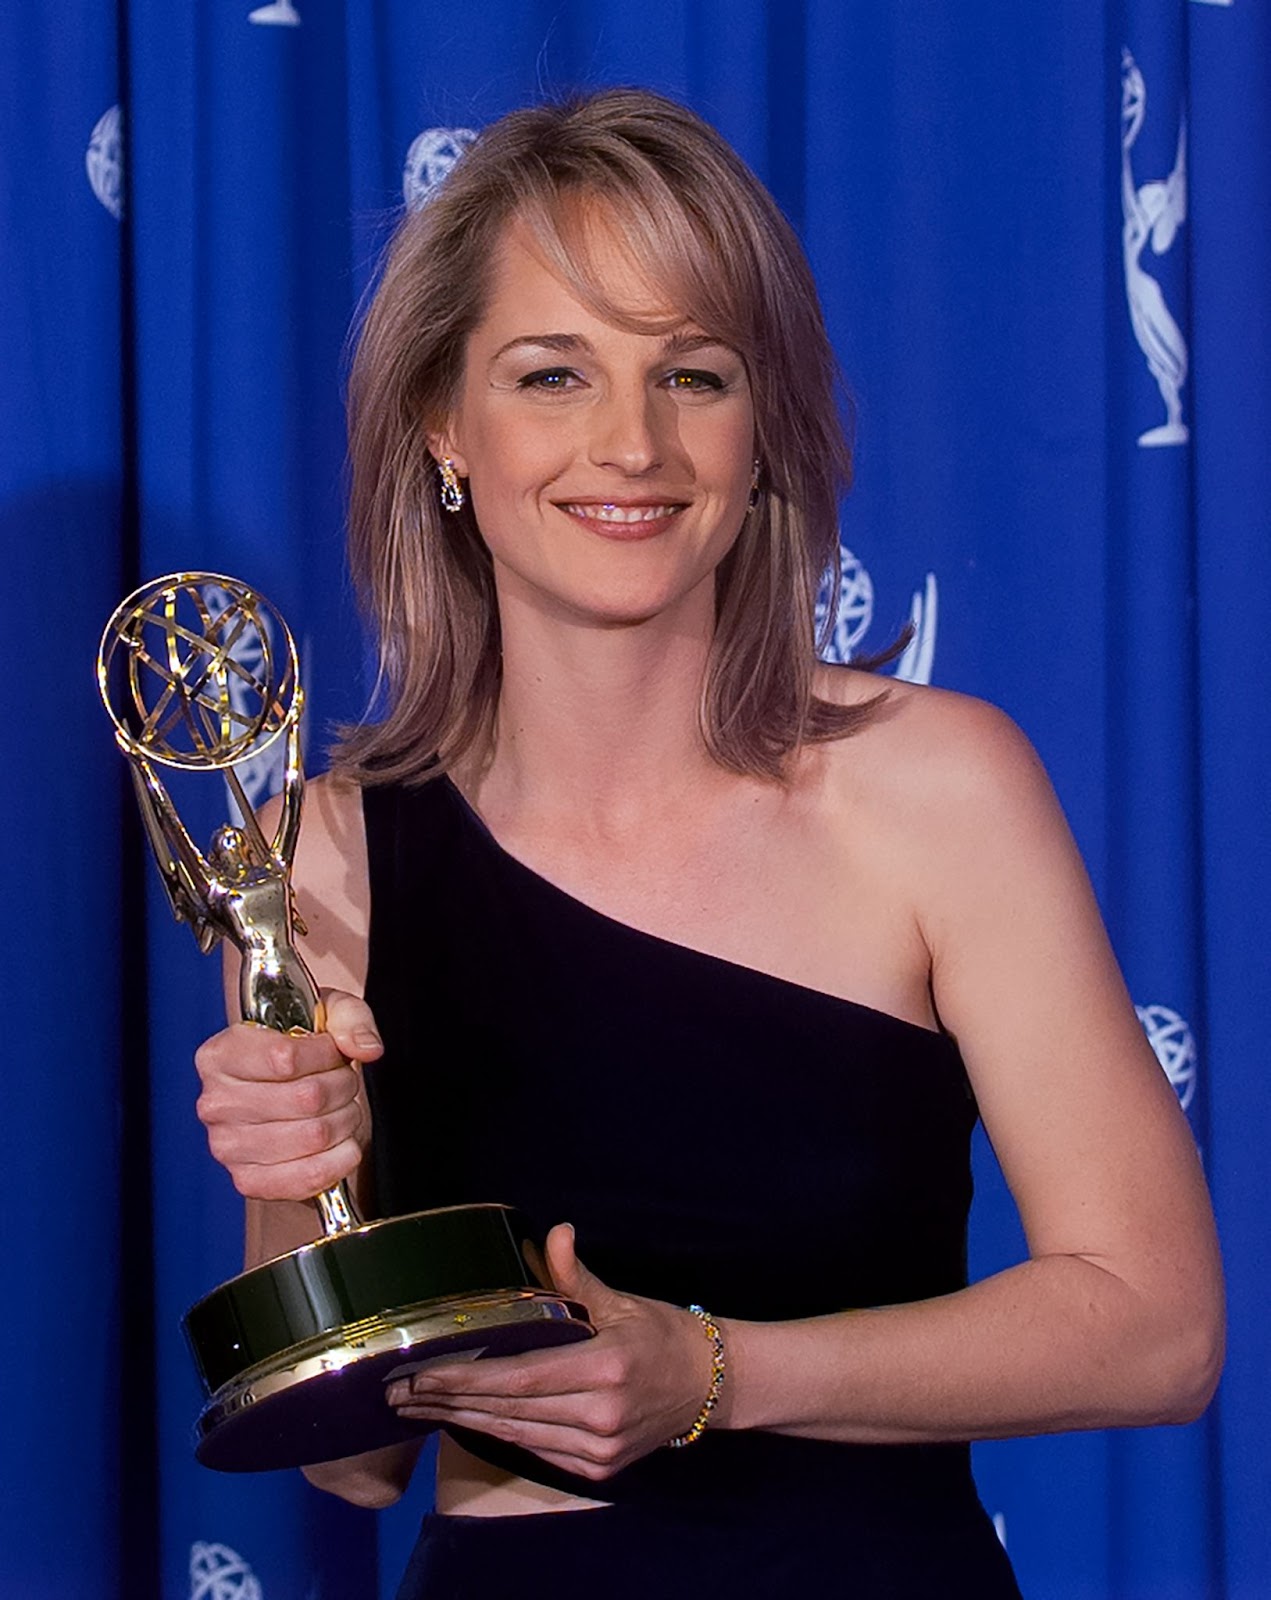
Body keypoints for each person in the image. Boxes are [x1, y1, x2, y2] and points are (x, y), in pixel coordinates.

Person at [191, 89, 1223, 1597]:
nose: (632, 444)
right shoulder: (316, 861)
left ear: (764, 428)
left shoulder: (938, 788)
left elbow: (1159, 1326)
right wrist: (299, 1169)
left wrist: (718, 1374)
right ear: (441, 426)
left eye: (692, 373)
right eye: (552, 374)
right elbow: (352, 1461)